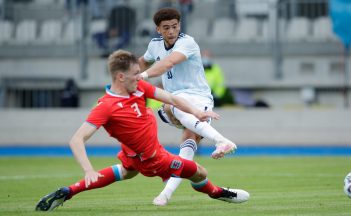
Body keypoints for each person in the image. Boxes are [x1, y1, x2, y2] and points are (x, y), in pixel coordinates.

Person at [35, 50, 249, 211]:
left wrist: (196, 111)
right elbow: (77, 139)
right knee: (199, 172)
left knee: (126, 172)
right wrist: (88, 170)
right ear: (120, 77)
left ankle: (68, 191)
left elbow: (172, 98)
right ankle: (217, 193)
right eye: (136, 74)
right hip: (155, 159)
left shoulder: (138, 88)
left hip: (133, 155)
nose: (141, 77)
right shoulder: (106, 106)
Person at [138, 8, 237, 206]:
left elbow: (168, 63)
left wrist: (142, 77)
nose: (171, 31)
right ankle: (222, 140)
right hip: (176, 100)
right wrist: (127, 73)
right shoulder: (154, 45)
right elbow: (143, 61)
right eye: (166, 28)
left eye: (175, 26)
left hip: (199, 98)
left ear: (179, 25)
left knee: (184, 136)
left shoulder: (187, 42)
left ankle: (165, 195)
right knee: (173, 112)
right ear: (158, 29)